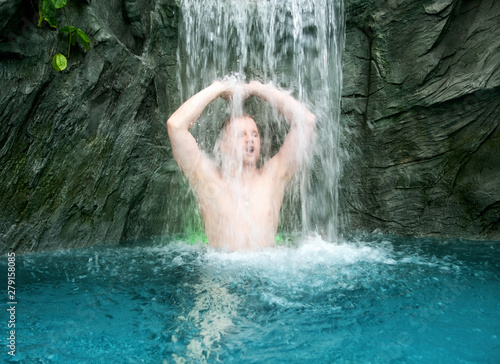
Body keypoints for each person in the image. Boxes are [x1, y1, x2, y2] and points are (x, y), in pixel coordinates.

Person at [167, 80, 316, 251]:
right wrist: (217, 88)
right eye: (241, 135)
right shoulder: (206, 178)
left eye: (255, 134)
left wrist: (259, 88)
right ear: (222, 145)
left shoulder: (274, 176)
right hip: (222, 273)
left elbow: (306, 122)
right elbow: (176, 126)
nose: (250, 139)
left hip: (266, 272)